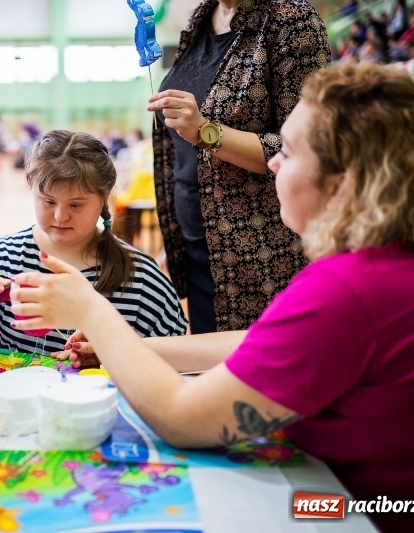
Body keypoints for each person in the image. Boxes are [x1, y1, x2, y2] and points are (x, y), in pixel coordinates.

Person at [12, 64, 414, 533]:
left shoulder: (348, 290)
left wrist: (91, 310)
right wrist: (118, 344)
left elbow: (182, 418)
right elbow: (264, 344)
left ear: (343, 182)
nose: (272, 163)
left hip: (369, 513)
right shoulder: (401, 264)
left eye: (287, 151)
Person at [149, 0, 330, 334]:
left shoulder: (292, 21)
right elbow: (184, 156)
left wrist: (206, 131)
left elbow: (310, 150)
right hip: (197, 247)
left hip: (260, 258)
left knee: (256, 373)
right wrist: (175, 234)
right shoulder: (203, 17)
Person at [0, 130, 187, 354]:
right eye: (48, 201)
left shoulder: (140, 277)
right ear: (31, 189)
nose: (60, 216)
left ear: (104, 198)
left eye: (76, 204)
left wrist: (114, 352)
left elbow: (176, 353)